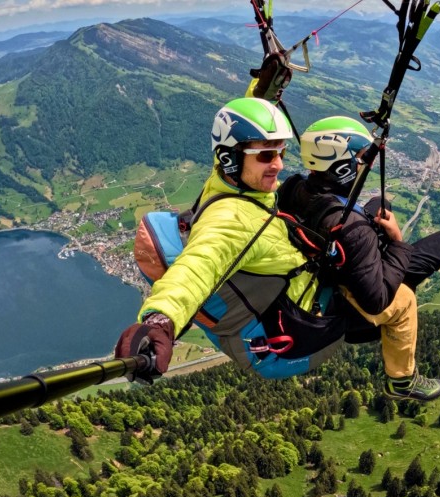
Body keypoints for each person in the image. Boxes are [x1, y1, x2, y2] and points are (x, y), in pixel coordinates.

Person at [277, 116, 440, 400]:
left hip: (333, 267)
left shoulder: (293, 188)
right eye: (360, 158)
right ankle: (405, 379)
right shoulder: (353, 230)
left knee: (382, 204)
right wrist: (397, 241)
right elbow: (377, 300)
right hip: (354, 303)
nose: (363, 165)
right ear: (342, 166)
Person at [114, 97, 327, 378]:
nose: (278, 165)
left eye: (281, 153)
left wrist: (266, 83)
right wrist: (159, 322)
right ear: (230, 158)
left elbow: (234, 127)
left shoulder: (225, 183)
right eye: (265, 155)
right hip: (295, 333)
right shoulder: (231, 221)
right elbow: (197, 268)